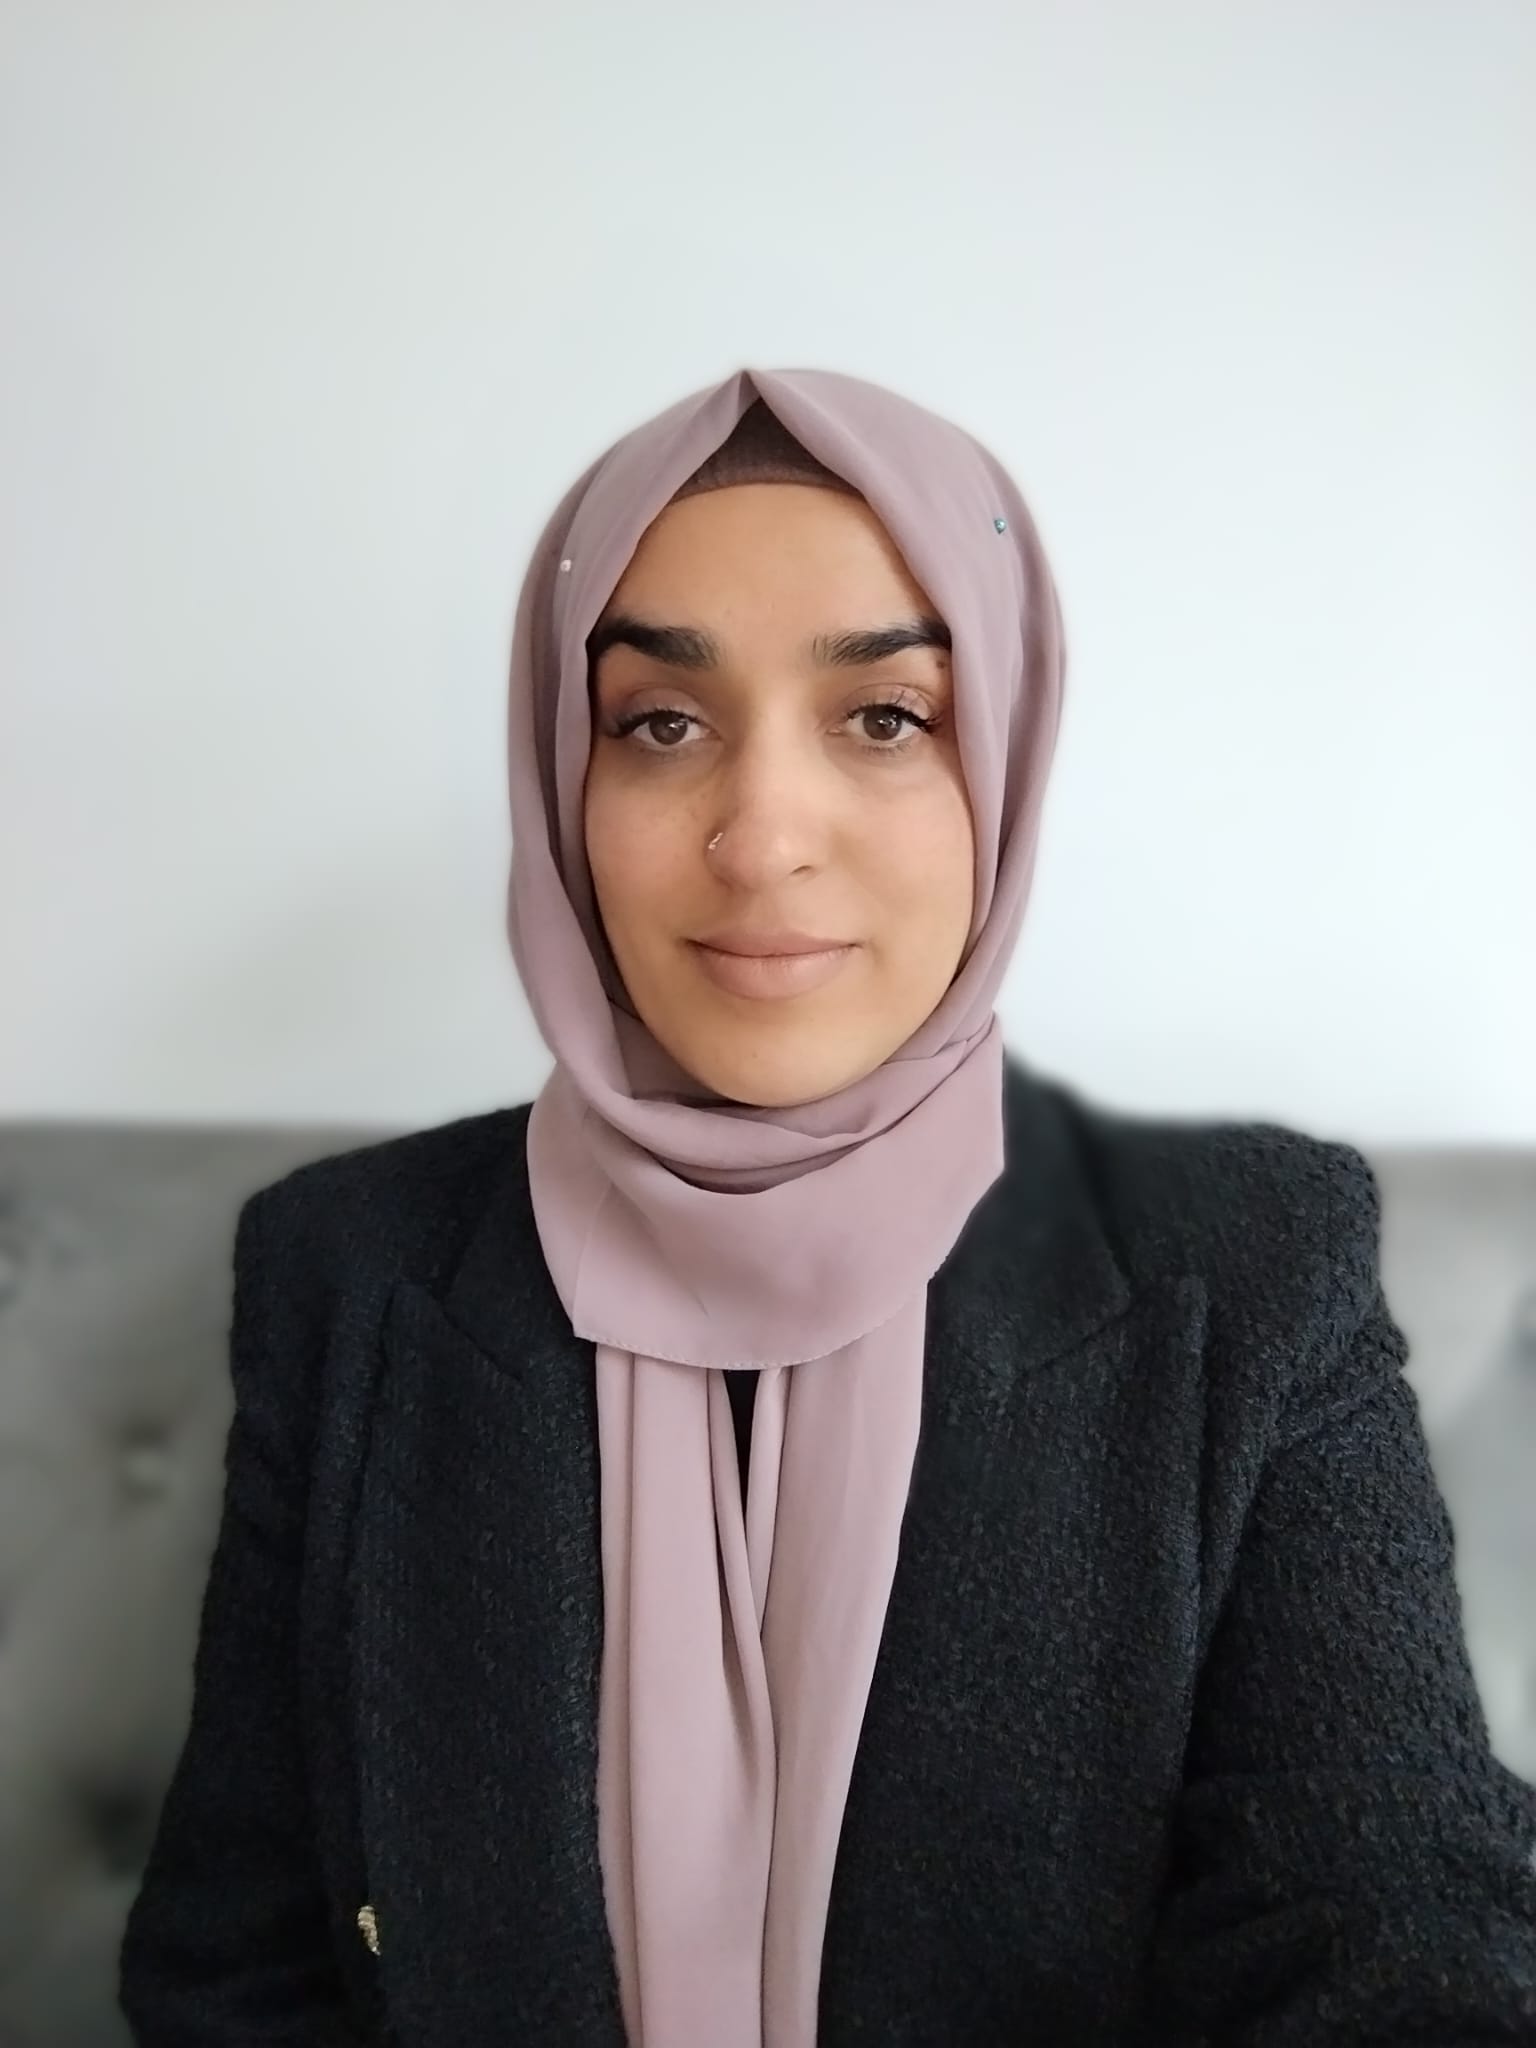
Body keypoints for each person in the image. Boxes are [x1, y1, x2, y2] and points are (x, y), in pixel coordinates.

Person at [119, 367, 1536, 2046]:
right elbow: (236, 1964)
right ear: (561, 776)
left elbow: (1393, 1922)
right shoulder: (349, 1267)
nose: (762, 837)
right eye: (662, 722)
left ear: (1003, 757)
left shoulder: (1249, 1264)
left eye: (884, 718)